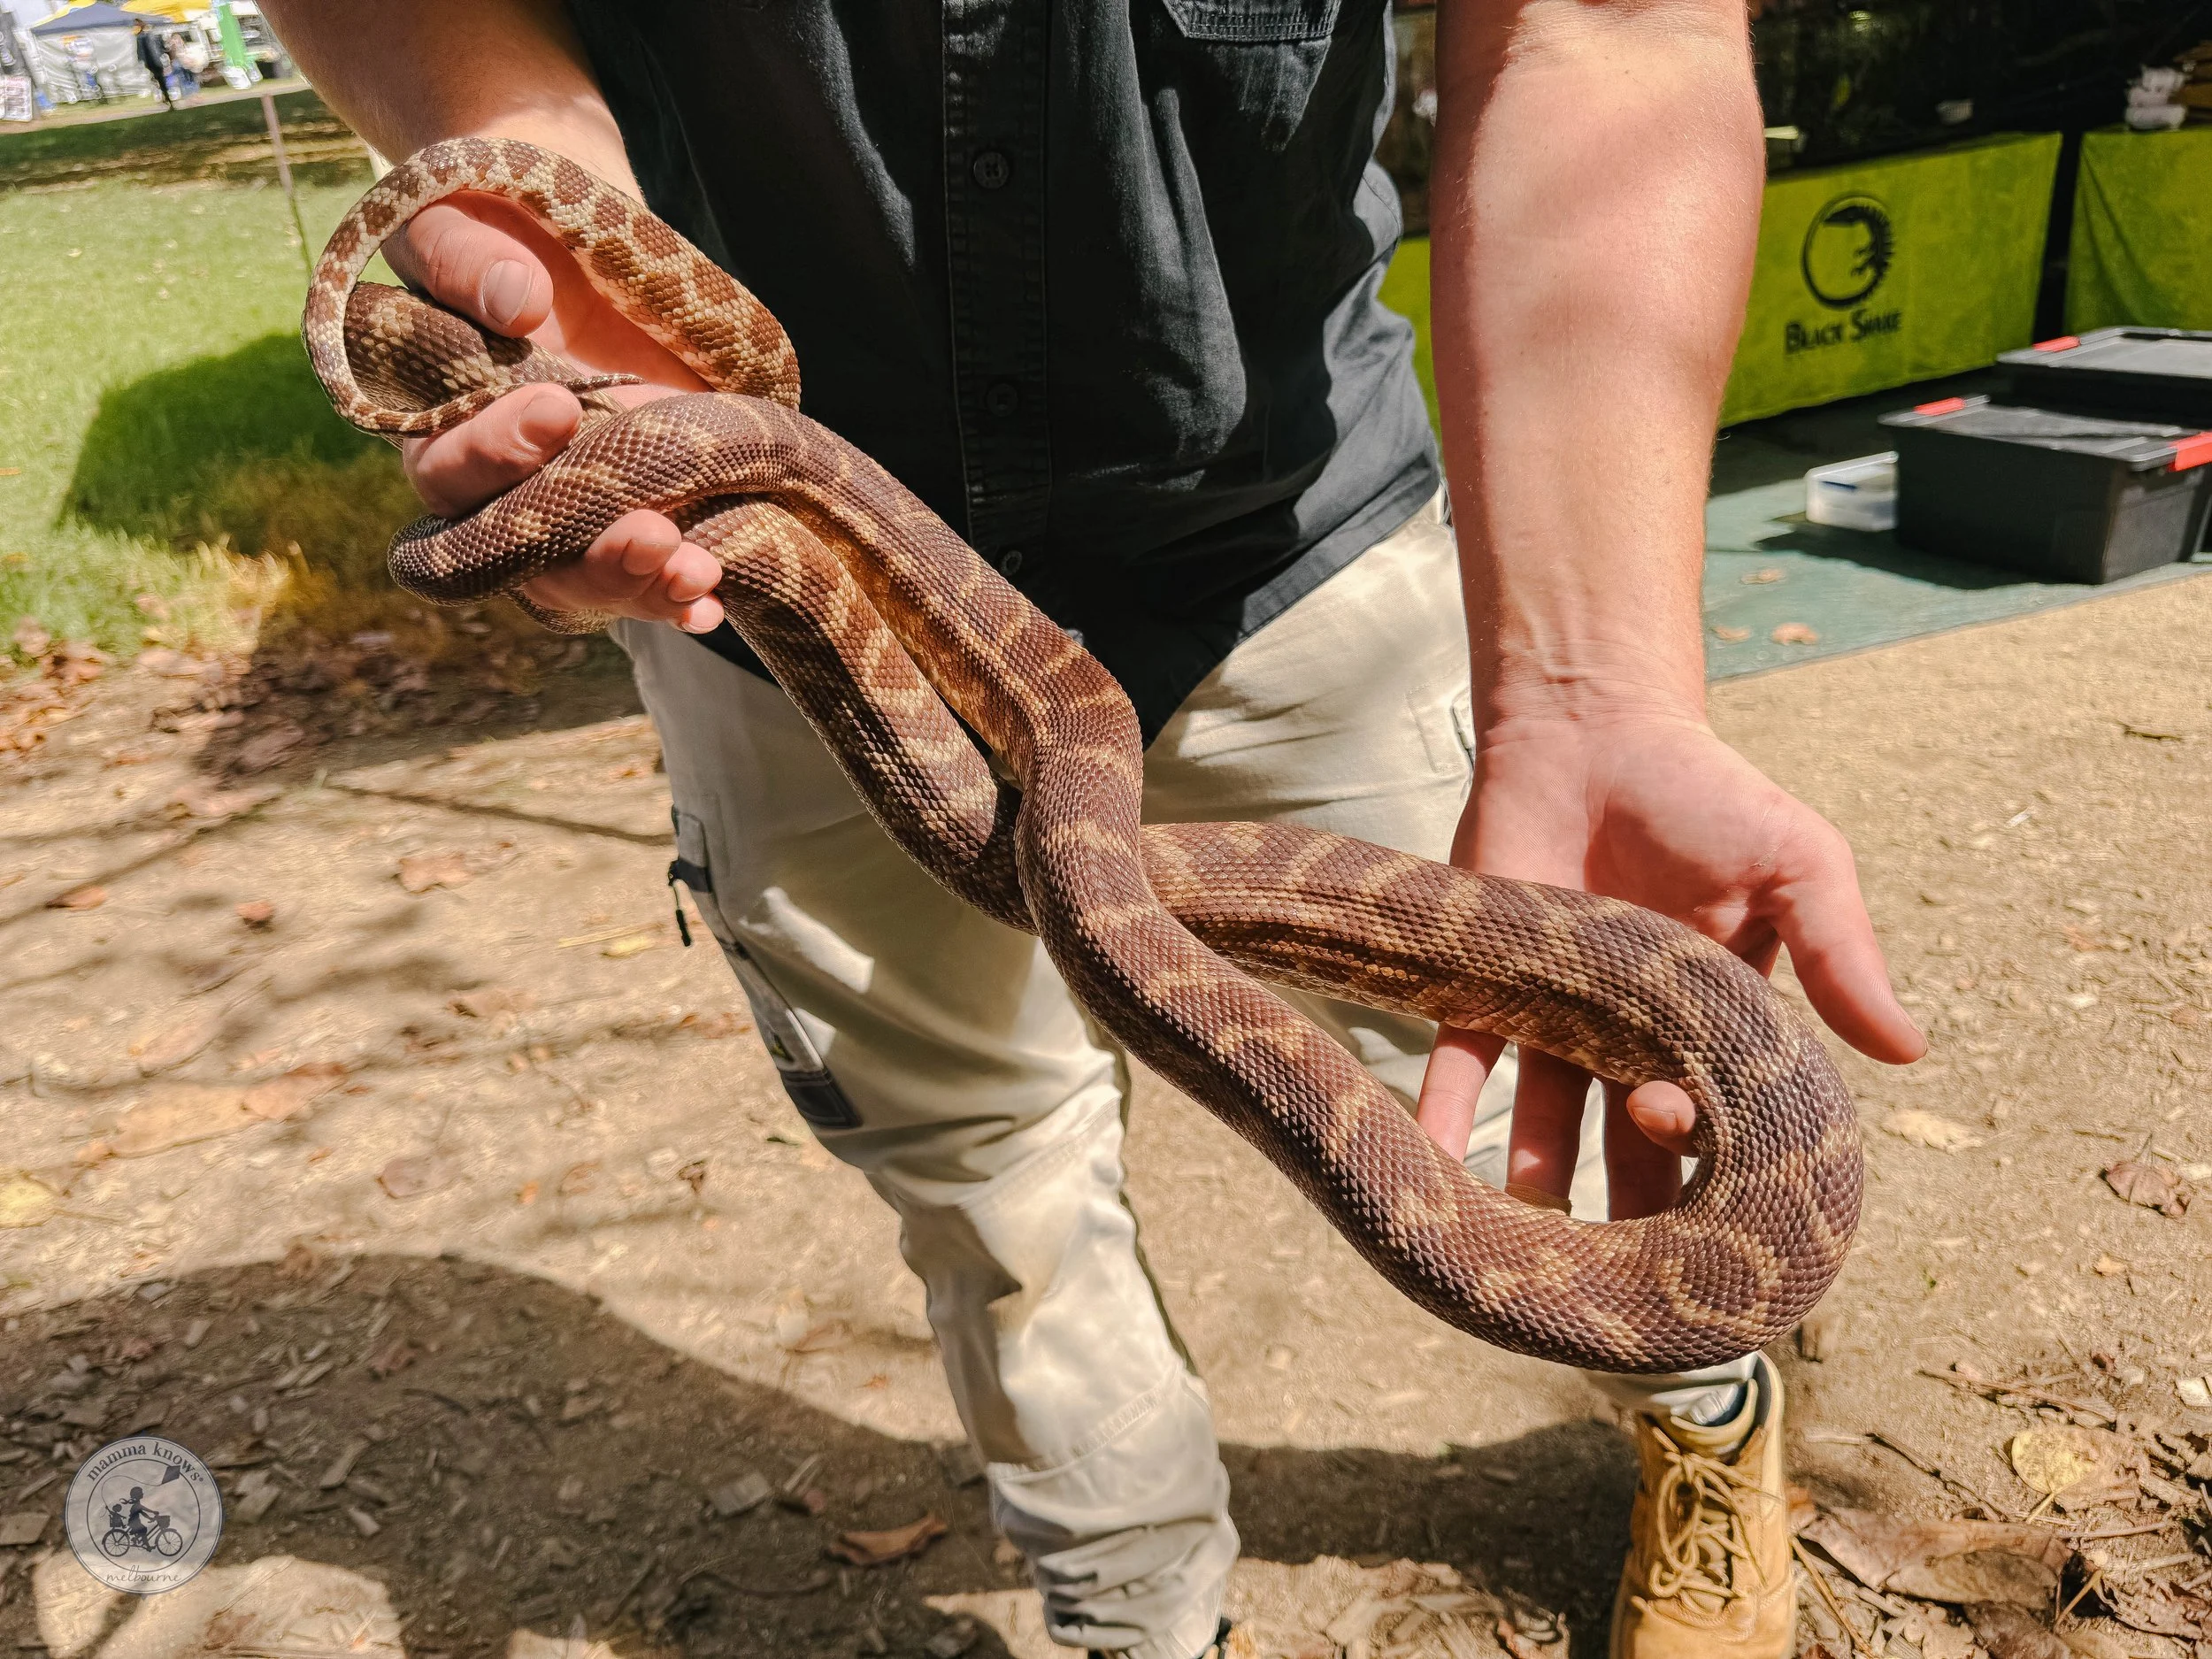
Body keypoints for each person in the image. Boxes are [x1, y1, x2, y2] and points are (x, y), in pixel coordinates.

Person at [263, 4, 1924, 1655]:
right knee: (993, 1197)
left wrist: (1595, 690)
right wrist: (526, 147)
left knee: (1506, 1111)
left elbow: (1612, 30)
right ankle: (1142, 1615)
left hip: (1286, 542)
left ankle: (1710, 1424)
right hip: (756, 576)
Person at [132, 22, 173, 112]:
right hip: (153, 63)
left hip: (154, 62)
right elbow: (161, 48)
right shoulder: (147, 36)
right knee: (159, 80)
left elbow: (140, 51)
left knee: (159, 80)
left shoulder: (144, 37)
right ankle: (166, 97)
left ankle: (166, 97)